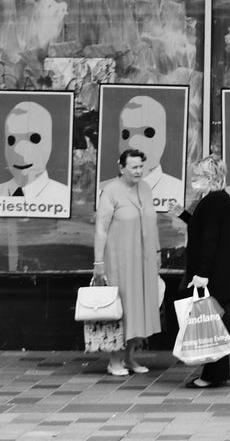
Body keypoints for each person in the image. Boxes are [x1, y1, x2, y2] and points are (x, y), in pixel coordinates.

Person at [168, 155, 230, 389]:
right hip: (218, 273)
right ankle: (216, 374)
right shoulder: (216, 199)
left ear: (209, 177)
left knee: (209, 323)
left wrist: (202, 273)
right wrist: (183, 214)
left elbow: (210, 239)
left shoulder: (213, 201)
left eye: (198, 176)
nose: (194, 180)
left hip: (213, 274)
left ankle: (212, 375)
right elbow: (203, 228)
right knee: (212, 323)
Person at [93, 148, 162, 377]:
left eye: (141, 166)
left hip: (144, 261)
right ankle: (114, 360)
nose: (138, 171)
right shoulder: (110, 191)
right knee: (121, 310)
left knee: (140, 309)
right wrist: (98, 263)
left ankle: (131, 356)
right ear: (121, 167)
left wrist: (158, 251)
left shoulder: (145, 188)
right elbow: (101, 229)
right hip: (120, 263)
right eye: (134, 167)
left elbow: (152, 222)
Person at [99, 95, 183, 207]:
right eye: (126, 134)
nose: (133, 143)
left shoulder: (178, 190)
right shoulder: (104, 191)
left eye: (148, 133)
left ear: (165, 137)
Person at [0, 99, 71, 206]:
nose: (19, 150)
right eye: (11, 140)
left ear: (49, 144)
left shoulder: (65, 198)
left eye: (34, 139)